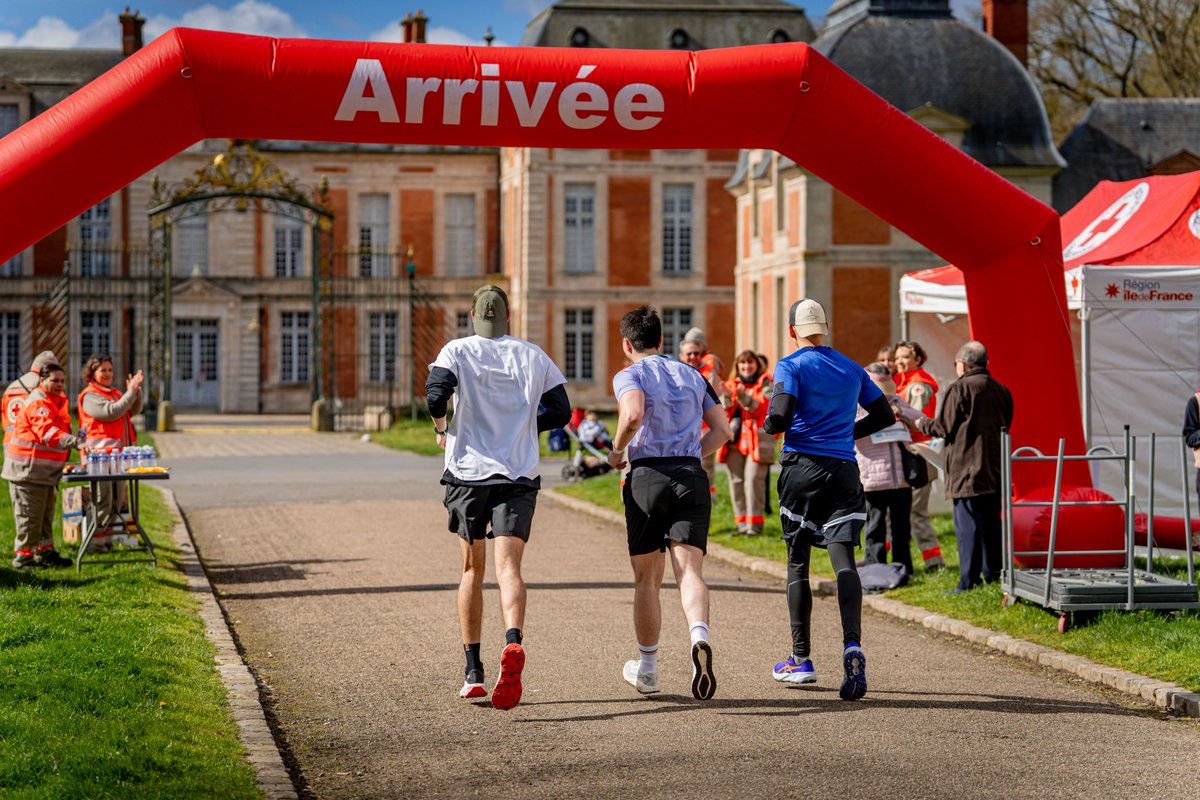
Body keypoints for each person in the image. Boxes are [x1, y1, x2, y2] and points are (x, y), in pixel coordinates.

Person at [425, 284, 571, 710]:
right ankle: (513, 640)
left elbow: (436, 395)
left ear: (473, 316)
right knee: (510, 567)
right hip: (519, 473)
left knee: (472, 568)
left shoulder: (456, 350)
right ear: (508, 317)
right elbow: (561, 411)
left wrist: (441, 427)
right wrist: (525, 426)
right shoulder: (532, 355)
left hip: (468, 473)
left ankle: (473, 671)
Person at [762, 299, 894, 700]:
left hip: (802, 467)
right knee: (844, 563)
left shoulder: (791, 365)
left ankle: (800, 660)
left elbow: (781, 413)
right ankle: (852, 645)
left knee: (798, 561)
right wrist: (844, 436)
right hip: (843, 472)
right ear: (825, 327)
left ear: (792, 332)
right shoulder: (852, 366)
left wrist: (770, 424)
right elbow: (885, 415)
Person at [608, 306, 732, 700]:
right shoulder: (692, 373)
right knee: (689, 570)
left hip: (647, 476)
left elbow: (632, 414)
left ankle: (648, 669)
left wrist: (616, 450)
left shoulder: (630, 373)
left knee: (647, 578)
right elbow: (723, 430)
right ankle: (699, 637)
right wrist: (694, 453)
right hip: (691, 474)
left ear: (627, 344)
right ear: (662, 340)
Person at [894, 341, 1013, 593]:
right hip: (995, 468)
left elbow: (943, 428)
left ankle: (967, 581)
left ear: (962, 362)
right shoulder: (1002, 390)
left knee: (967, 524)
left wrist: (918, 421)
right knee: (992, 524)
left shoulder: (959, 389)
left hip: (966, 469)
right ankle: (993, 575)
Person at [2, 363, 86, 569]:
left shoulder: (54, 402)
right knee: (29, 519)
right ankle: (23, 560)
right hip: (27, 472)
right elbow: (48, 434)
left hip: (44, 472)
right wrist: (77, 442)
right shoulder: (38, 403)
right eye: (54, 380)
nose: (59, 384)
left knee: (45, 519)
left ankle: (45, 553)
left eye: (62, 381)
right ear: (42, 381)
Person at [855, 363, 922, 576]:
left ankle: (903, 569)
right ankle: (875, 570)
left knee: (901, 527)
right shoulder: (856, 405)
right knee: (874, 527)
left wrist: (901, 413)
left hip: (901, 478)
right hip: (872, 479)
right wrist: (878, 417)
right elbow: (850, 429)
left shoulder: (897, 401)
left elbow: (921, 420)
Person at [78, 354, 144, 551]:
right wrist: (129, 394)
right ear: (92, 373)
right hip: (99, 458)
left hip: (117, 457)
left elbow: (131, 411)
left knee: (116, 501)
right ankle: (93, 543)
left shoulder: (114, 393)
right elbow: (110, 412)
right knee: (101, 501)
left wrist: (136, 394)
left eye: (109, 370)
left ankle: (106, 540)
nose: (107, 374)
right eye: (102, 370)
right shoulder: (90, 395)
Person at [892, 340, 946, 573]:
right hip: (909, 453)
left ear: (918, 359)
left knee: (916, 512)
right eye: (897, 358)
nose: (899, 362)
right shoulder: (904, 383)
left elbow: (916, 419)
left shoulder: (918, 386)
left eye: (905, 357)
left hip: (918, 455)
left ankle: (935, 563)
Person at [719, 350, 776, 536]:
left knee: (753, 482)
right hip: (735, 440)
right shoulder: (731, 384)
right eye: (742, 364)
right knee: (736, 481)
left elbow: (763, 408)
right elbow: (724, 411)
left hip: (757, 441)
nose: (746, 367)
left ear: (756, 365)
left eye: (750, 363)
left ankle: (755, 526)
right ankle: (742, 525)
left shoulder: (766, 382)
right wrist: (727, 398)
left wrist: (743, 397)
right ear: (737, 366)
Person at [679, 327, 725, 495]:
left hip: (705, 424)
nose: (693, 357)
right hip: (686, 425)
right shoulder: (679, 369)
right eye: (689, 353)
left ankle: (708, 495)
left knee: (704, 464)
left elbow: (712, 396)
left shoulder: (709, 365)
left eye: (696, 351)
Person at [3, 350, 59, 447]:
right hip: (31, 448)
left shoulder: (11, 386)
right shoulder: (43, 387)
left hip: (9, 445)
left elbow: (4, 418)